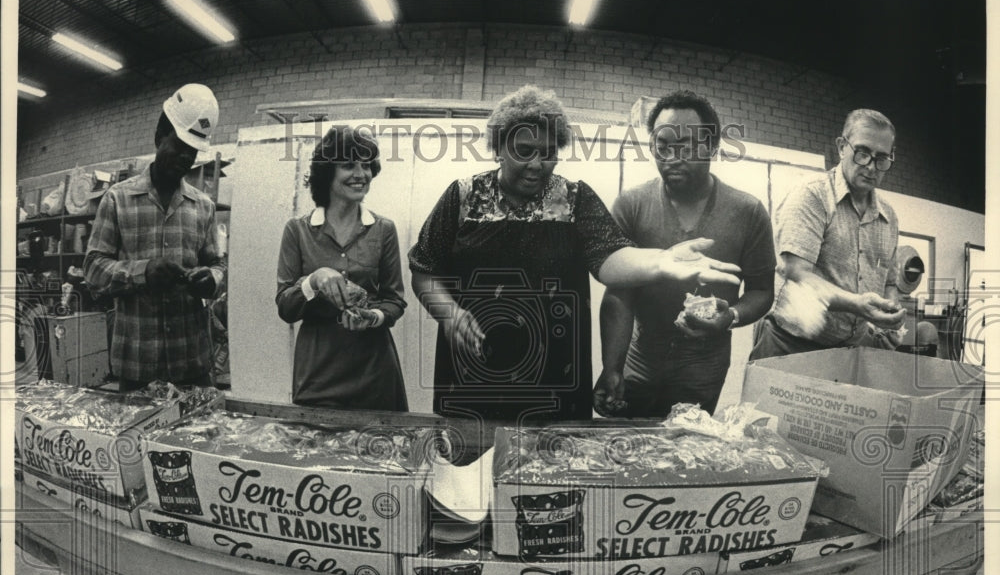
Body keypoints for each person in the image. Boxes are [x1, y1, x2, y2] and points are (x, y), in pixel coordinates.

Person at [408, 84, 742, 432]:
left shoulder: (574, 198)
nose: (537, 164)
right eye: (524, 151)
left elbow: (609, 259)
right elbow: (424, 269)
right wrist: (449, 314)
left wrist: (660, 262)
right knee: (468, 470)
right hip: (472, 370)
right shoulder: (463, 197)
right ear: (498, 149)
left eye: (548, 152)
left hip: (554, 377)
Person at [593, 90, 776, 417]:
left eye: (687, 145)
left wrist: (730, 316)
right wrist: (612, 368)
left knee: (687, 452)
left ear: (712, 147)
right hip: (641, 358)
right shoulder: (632, 206)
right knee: (625, 446)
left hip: (704, 366)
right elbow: (619, 293)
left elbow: (762, 291)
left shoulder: (748, 212)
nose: (672, 156)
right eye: (662, 146)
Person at [85, 83, 225, 390]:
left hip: (192, 361)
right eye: (179, 146)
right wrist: (141, 272)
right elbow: (93, 270)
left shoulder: (204, 206)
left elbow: (218, 265)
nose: (185, 158)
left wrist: (211, 279)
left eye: (193, 151)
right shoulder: (117, 199)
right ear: (159, 137)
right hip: (137, 365)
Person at [749, 109, 906, 360]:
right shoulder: (812, 196)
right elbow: (798, 273)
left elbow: (889, 282)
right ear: (842, 147)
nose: (871, 167)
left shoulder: (889, 217)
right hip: (790, 345)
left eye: (882, 159)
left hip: (847, 353)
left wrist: (889, 312)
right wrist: (858, 305)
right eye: (862, 153)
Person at [275, 125, 408, 411]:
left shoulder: (383, 229)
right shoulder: (298, 230)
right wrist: (313, 280)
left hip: (375, 372)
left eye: (367, 166)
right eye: (349, 165)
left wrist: (373, 316)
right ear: (327, 173)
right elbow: (285, 307)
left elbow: (395, 300)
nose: (361, 174)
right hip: (319, 374)